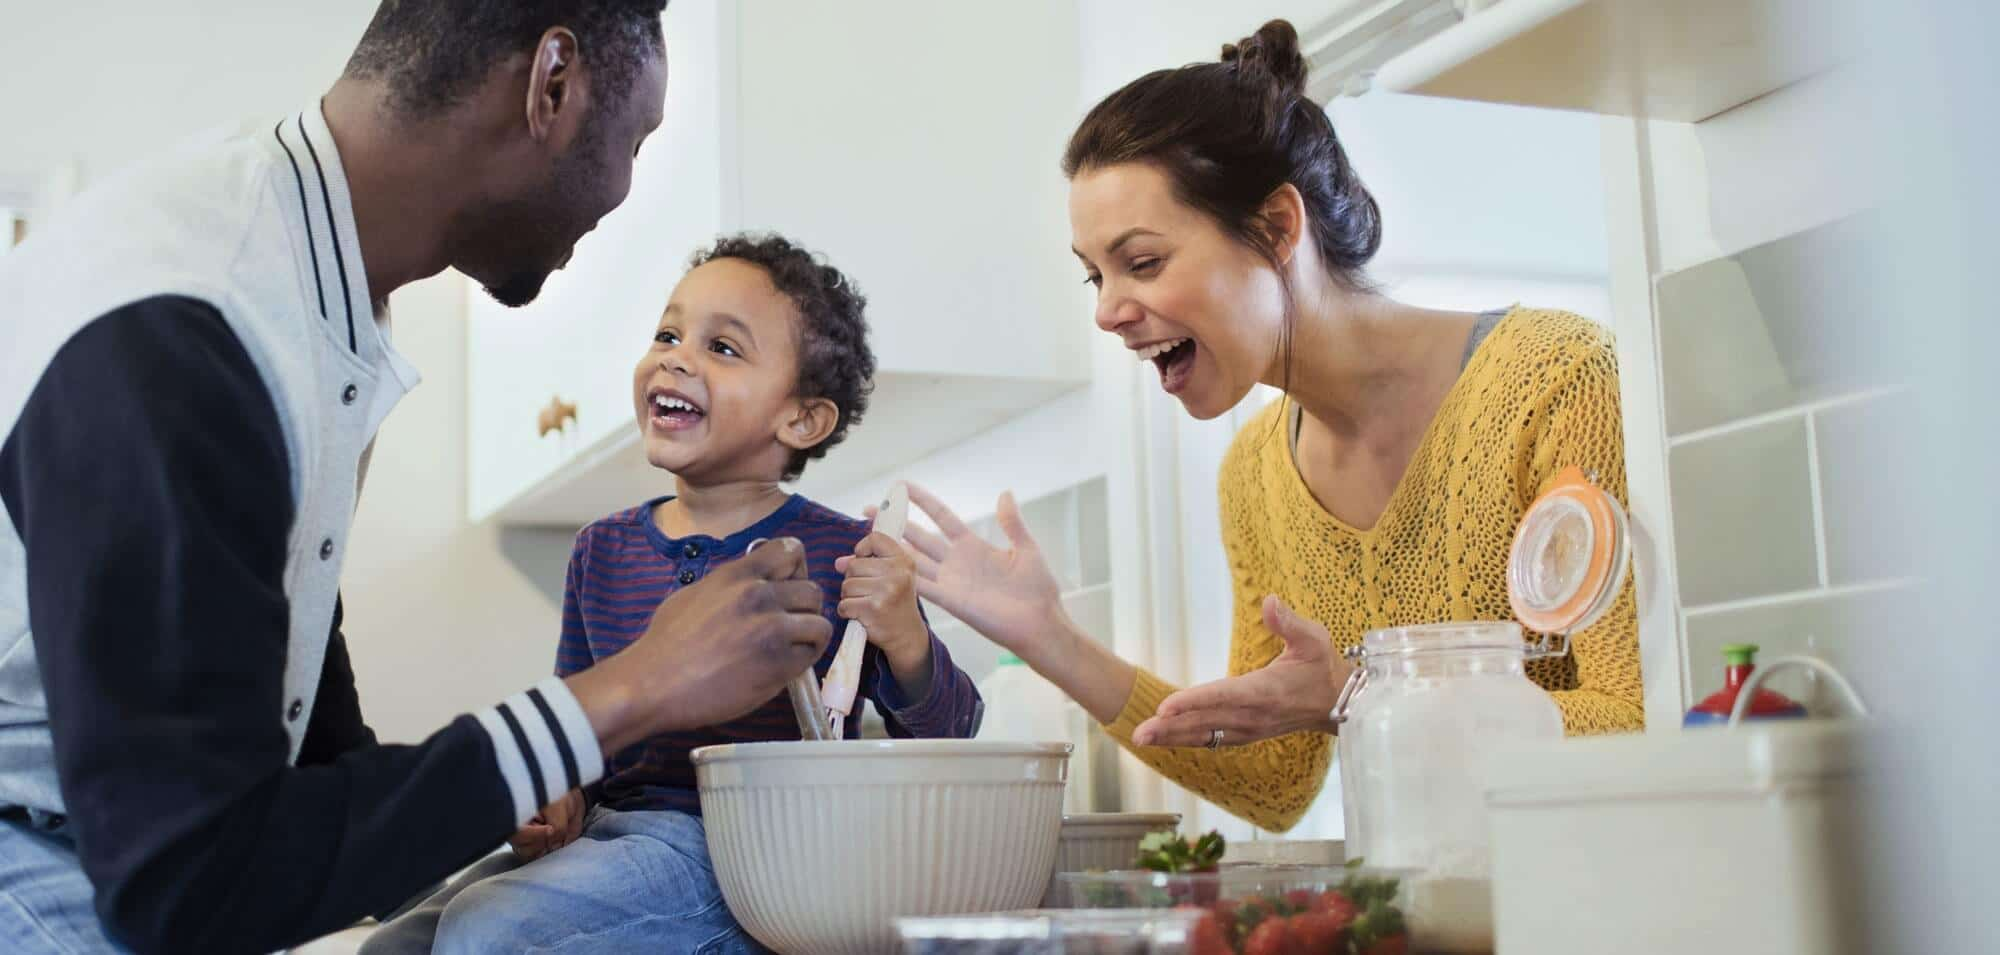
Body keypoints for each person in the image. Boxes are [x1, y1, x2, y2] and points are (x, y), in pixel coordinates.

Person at [0, 4, 836, 951]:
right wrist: (634, 688)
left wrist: (502, 800)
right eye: (635, 145)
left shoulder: (304, 285)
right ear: (550, 86)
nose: (621, 193)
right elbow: (187, 876)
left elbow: (297, 728)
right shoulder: (189, 322)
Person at [895, 19, 1645, 834]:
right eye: (1096, 276)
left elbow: (1639, 720)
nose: (1109, 311)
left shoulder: (1556, 379)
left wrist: (1360, 698)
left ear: (1279, 228)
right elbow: (1275, 777)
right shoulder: (1255, 473)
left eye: (1142, 262)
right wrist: (1051, 638)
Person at [362, 234, 983, 954]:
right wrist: (561, 797)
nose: (677, 355)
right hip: (608, 840)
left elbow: (950, 742)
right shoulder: (602, 549)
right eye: (668, 332)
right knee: (395, 946)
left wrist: (907, 640)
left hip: (742, 861)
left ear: (802, 419)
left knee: (485, 931)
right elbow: (583, 724)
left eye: (724, 348)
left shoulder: (846, 555)